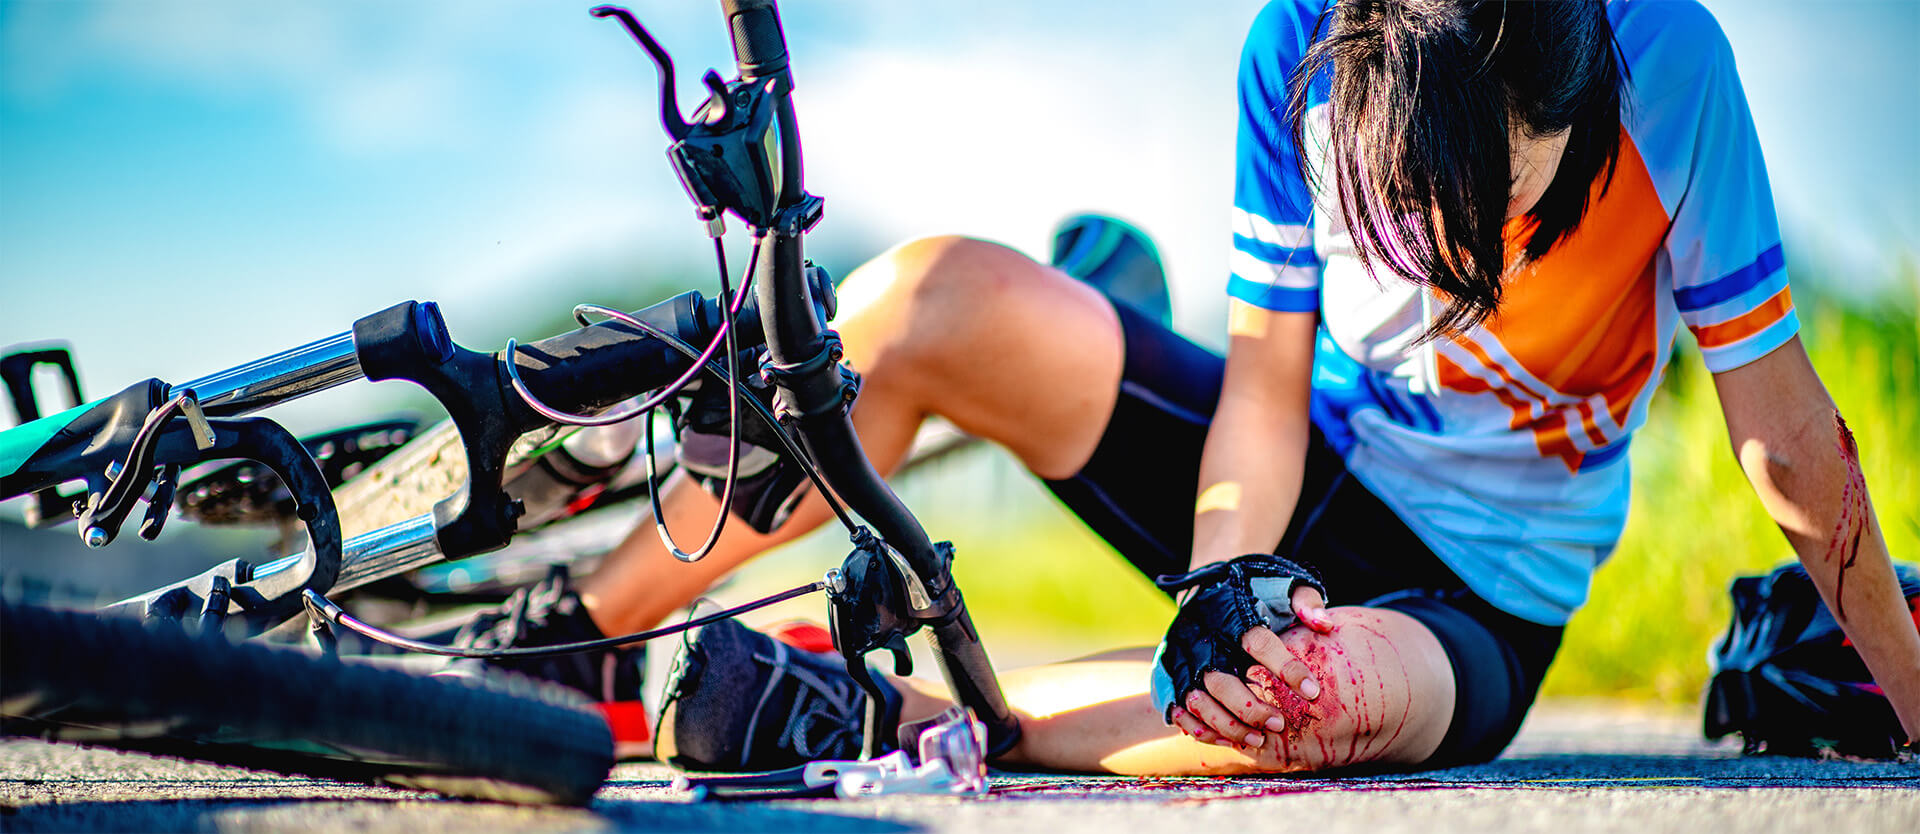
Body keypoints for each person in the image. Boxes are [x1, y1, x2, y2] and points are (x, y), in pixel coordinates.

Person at [458, 0, 1920, 774]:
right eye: (1434, 231)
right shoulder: (1291, 45)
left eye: (1522, 222)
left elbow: (1784, 430)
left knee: (1298, 699)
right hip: (1302, 476)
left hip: (1476, 603)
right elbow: (1269, 385)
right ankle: (561, 643)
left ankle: (896, 718)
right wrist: (1230, 580)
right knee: (921, 301)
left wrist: (1915, 701)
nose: (1480, 273)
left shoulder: (1668, 63)